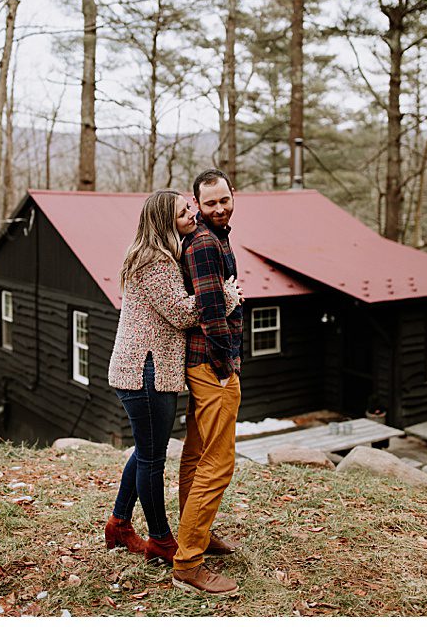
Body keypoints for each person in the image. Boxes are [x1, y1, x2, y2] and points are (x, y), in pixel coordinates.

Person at [104, 190, 240, 568]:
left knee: (144, 451)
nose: (193, 214)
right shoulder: (153, 262)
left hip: (144, 371)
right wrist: (225, 296)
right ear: (166, 221)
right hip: (144, 371)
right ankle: (161, 539)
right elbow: (181, 314)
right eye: (184, 212)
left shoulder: (156, 257)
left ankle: (118, 522)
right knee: (152, 459)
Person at [172, 169, 245, 596]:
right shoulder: (203, 243)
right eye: (210, 203)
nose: (219, 208)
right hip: (212, 365)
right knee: (218, 464)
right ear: (197, 203)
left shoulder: (216, 236)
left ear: (232, 195)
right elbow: (211, 313)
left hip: (206, 364)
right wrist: (226, 365)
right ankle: (188, 564)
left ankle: (194, 536)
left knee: (197, 456)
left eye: (224, 200)